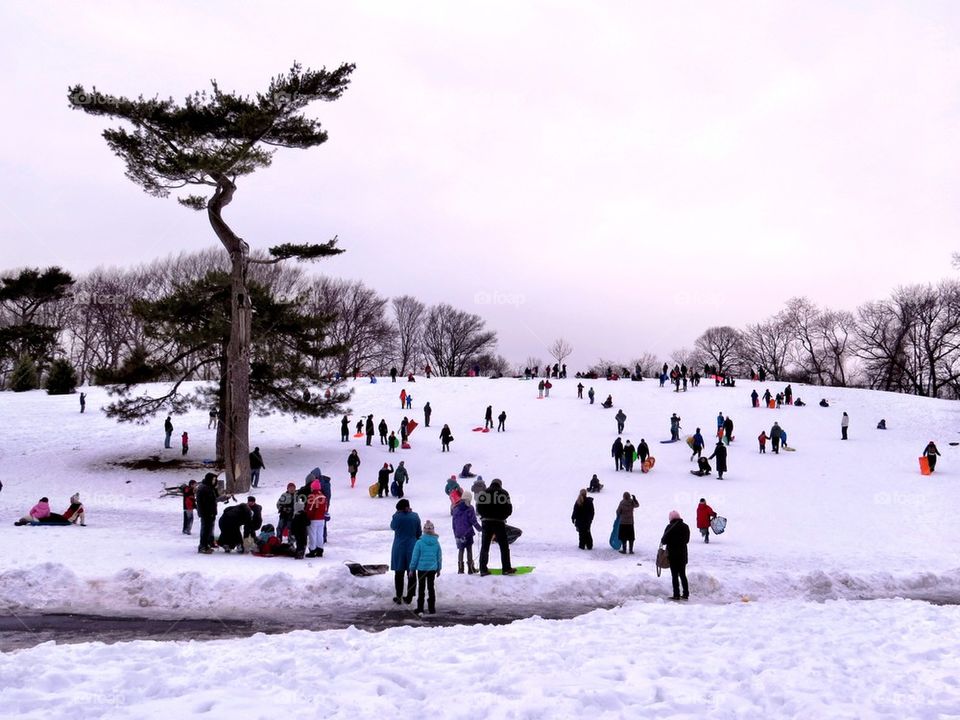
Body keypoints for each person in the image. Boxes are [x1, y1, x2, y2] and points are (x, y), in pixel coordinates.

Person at [476, 478, 515, 575]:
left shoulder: (483, 493)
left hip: (486, 522)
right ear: (500, 484)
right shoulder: (504, 493)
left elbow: (478, 508)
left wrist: (484, 516)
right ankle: (506, 568)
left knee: (485, 546)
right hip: (499, 522)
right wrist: (503, 516)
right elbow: (509, 509)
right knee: (504, 546)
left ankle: (483, 569)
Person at [390, 499, 421, 604]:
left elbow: (392, 526)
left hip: (399, 547)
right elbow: (419, 532)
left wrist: (396, 514)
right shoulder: (415, 516)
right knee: (411, 572)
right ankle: (409, 596)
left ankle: (398, 596)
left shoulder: (397, 517)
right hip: (412, 547)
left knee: (399, 573)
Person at [410, 519, 442, 615]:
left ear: (424, 530)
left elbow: (415, 557)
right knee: (431, 587)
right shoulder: (436, 543)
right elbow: (439, 557)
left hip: (421, 568)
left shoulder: (419, 542)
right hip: (432, 569)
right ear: (433, 530)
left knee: (421, 588)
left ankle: (420, 608)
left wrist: (412, 569)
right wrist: (439, 568)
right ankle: (432, 608)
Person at [661, 510, 691, 600]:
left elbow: (664, 541)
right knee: (682, 574)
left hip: (673, 554)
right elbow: (687, 540)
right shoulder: (686, 526)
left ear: (671, 518)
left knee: (674, 575)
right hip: (682, 554)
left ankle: (676, 594)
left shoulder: (669, 527)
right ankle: (686, 593)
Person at [196, 473, 219, 553]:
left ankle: (207, 544)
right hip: (206, 513)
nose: (215, 481)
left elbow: (215, 498)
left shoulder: (209, 487)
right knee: (205, 530)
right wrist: (209, 512)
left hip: (210, 513)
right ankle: (203, 546)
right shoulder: (204, 488)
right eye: (213, 480)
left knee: (209, 529)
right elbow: (206, 503)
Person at [305, 481, 328, 557]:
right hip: (321, 519)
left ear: (313, 487)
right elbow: (325, 509)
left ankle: (312, 550)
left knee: (312, 535)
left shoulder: (312, 496)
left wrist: (307, 516)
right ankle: (320, 550)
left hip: (313, 519)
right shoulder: (323, 496)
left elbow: (310, 509)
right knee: (320, 535)